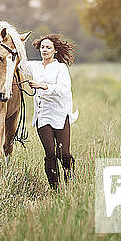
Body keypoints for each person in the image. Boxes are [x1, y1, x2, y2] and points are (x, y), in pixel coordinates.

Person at [20, 34, 78, 189]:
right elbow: (18, 63)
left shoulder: (60, 68)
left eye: (48, 47)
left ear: (55, 51)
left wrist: (43, 86)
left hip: (60, 115)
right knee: (50, 154)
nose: (44, 50)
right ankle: (55, 189)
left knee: (63, 154)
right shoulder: (35, 66)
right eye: (42, 47)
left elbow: (64, 89)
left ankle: (70, 178)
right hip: (42, 116)